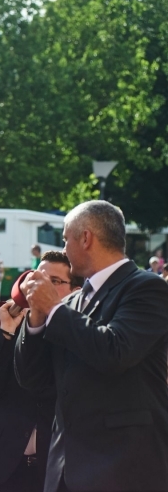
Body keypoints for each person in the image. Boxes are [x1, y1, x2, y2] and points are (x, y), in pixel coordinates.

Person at [16, 200, 168, 492]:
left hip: (123, 467)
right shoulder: (71, 303)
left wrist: (54, 310)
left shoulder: (146, 288)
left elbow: (116, 352)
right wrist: (35, 319)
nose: (64, 248)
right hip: (65, 470)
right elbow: (34, 379)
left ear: (85, 238)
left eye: (65, 239)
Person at [0, 251, 79, 492]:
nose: (41, 287)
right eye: (37, 278)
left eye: (55, 281)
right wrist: (5, 335)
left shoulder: (80, 334)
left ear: (75, 291)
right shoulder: (16, 326)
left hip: (56, 469)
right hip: (5, 466)